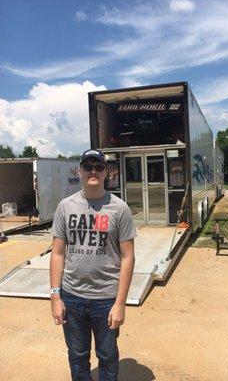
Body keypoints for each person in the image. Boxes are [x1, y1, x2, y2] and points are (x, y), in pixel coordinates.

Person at [50, 149, 136, 381]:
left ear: (106, 172)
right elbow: (57, 253)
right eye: (88, 166)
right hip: (72, 298)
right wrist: (56, 297)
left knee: (107, 357)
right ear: (80, 171)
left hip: (106, 299)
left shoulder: (120, 209)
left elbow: (128, 257)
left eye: (98, 166)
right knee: (77, 356)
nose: (93, 171)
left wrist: (120, 303)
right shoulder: (65, 207)